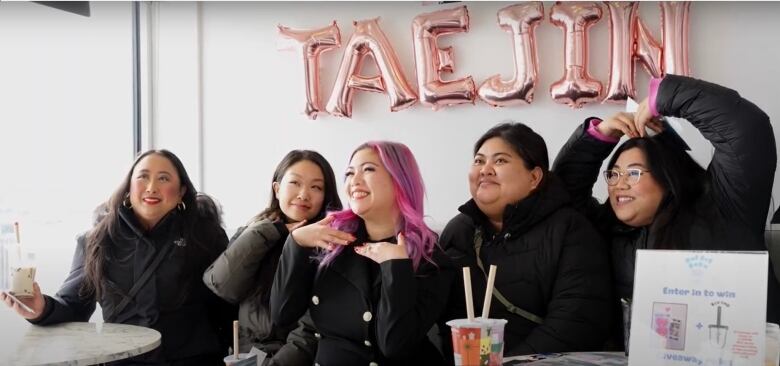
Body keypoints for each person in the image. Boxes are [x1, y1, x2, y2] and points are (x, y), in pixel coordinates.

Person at [552, 74, 780, 325]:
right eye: (614, 174)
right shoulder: (608, 229)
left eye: (634, 173)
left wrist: (663, 98)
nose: (619, 184)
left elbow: (746, 130)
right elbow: (562, 194)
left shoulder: (723, 206)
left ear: (668, 177)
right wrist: (599, 137)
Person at [1, 149, 236, 365]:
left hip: (193, 361)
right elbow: (72, 306)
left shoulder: (205, 237)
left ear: (181, 191)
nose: (151, 186)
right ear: (128, 188)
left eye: (163, 178)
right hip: (124, 362)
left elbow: (226, 306)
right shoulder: (96, 241)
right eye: (142, 176)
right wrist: (41, 309)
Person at [270, 141, 456, 366]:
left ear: (399, 179)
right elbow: (282, 315)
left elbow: (394, 345)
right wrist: (295, 244)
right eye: (349, 173)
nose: (354, 181)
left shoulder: (430, 258)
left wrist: (395, 268)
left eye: (368, 169)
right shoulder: (331, 241)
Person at [438, 122, 614, 357]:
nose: (485, 169)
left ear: (534, 177)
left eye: (500, 161)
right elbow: (446, 319)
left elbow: (576, 322)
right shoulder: (459, 230)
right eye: (479, 161)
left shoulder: (569, 229)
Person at [203, 150, 342, 365]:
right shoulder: (254, 231)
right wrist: (266, 232)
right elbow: (223, 286)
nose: (303, 194)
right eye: (295, 183)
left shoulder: (333, 244)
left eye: (316, 187)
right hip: (249, 355)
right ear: (277, 189)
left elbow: (314, 328)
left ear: (326, 195)